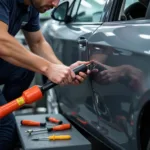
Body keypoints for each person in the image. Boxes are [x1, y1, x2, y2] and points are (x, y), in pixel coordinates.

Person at [0, 0, 90, 149]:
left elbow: (37, 43)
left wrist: (63, 70)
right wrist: (48, 68)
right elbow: (1, 42)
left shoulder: (31, 7)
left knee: (26, 67)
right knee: (5, 128)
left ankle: (5, 110)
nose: (55, 4)